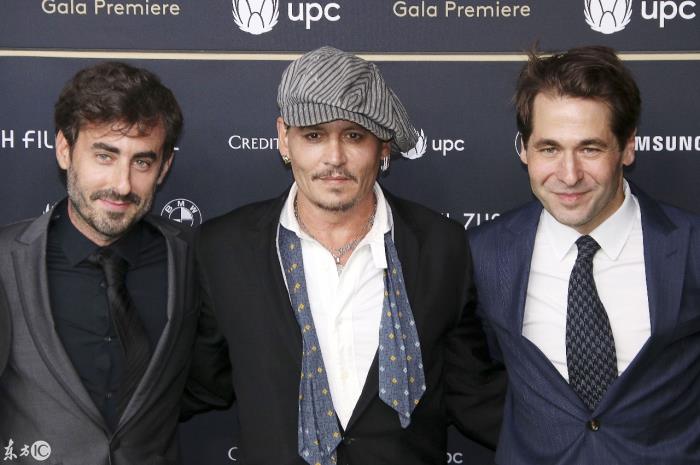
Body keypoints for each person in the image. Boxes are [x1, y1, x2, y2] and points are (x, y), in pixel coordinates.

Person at [187, 46, 505, 465]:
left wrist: (581, 436)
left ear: (383, 147)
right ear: (284, 138)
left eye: (354, 136)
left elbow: (471, 392)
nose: (334, 158)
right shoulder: (224, 249)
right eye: (313, 135)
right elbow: (201, 382)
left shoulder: (440, 246)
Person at [468, 45, 700, 464]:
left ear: (627, 147)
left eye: (590, 149)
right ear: (524, 149)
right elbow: (475, 377)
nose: (569, 174)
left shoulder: (690, 246)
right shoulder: (485, 253)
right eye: (549, 149)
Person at [0, 62, 198, 465]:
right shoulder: (6, 260)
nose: (122, 185)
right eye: (105, 156)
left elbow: (211, 379)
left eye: (142, 162)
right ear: (64, 149)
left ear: (164, 167)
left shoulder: (195, 257)